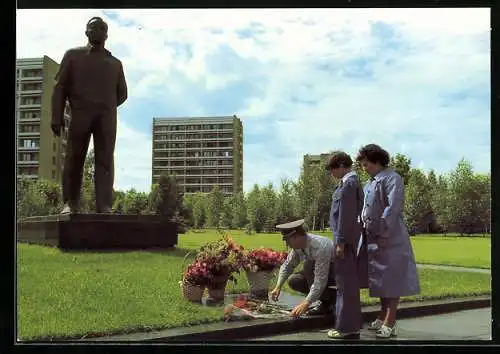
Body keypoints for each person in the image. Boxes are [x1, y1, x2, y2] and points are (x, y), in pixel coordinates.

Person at [51, 17, 128, 214]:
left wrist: (105, 106)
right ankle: (70, 203)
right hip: (80, 113)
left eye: (103, 28)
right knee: (75, 157)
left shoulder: (115, 63)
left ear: (107, 34)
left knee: (105, 160)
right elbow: (60, 87)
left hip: (106, 117)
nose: (98, 31)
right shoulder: (73, 56)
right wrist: (56, 115)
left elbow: (122, 93)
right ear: (86, 32)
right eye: (94, 27)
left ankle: (104, 205)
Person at [356, 144, 420, 338]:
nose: (363, 168)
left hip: (390, 237)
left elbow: (392, 208)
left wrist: (382, 232)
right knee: (380, 279)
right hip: (373, 237)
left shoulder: (393, 178)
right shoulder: (370, 183)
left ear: (377, 161)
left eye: (366, 164)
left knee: (392, 279)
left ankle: (390, 322)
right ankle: (382, 315)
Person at [324, 151, 364, 339]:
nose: (331, 173)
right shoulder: (350, 182)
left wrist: (340, 242)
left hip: (345, 241)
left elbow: (346, 217)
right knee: (348, 284)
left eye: (332, 168)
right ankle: (352, 325)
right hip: (348, 239)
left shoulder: (348, 184)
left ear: (341, 165)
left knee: (345, 284)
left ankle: (345, 328)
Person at [270, 218, 336, 317]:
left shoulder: (321, 247)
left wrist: (306, 303)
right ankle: (326, 300)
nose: (287, 244)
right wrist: (278, 286)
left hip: (336, 274)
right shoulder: (299, 247)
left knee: (308, 266)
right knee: (294, 280)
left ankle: (332, 299)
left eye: (288, 240)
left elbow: (320, 280)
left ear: (296, 236)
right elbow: (288, 265)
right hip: (318, 274)